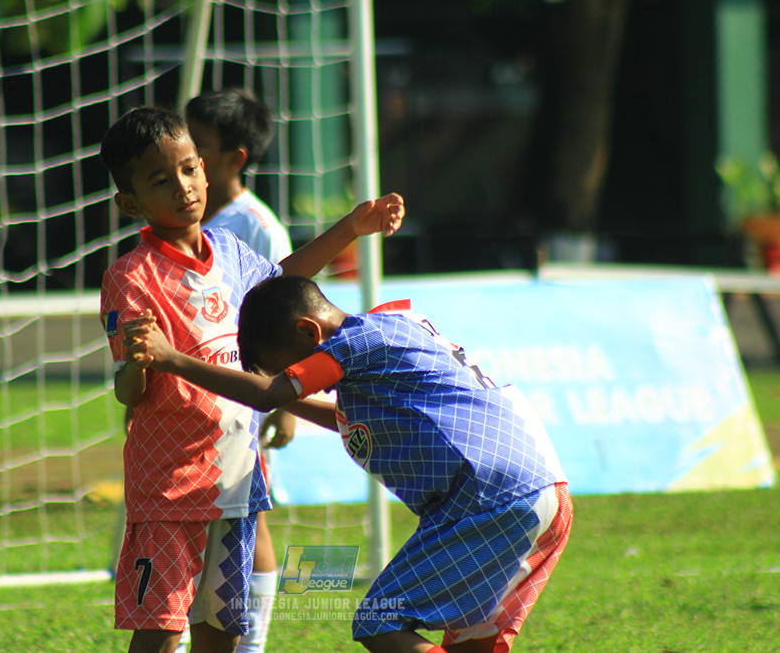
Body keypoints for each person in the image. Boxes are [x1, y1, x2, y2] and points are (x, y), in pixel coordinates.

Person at [125, 275, 573, 653]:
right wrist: (295, 402)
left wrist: (172, 359)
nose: (294, 382)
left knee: (379, 621)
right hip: (543, 487)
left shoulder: (354, 343)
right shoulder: (390, 326)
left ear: (309, 332)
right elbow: (341, 416)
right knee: (471, 641)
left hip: (487, 496)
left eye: (291, 370)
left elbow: (268, 394)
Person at [98, 106, 403, 653]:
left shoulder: (233, 253)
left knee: (221, 630)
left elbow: (285, 278)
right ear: (130, 201)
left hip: (236, 479)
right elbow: (128, 392)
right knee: (162, 631)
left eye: (189, 169)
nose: (183, 187)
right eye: (160, 180)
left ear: (206, 170)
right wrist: (143, 363)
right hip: (169, 486)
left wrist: (351, 228)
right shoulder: (131, 276)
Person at [183, 87, 293, 653]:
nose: (188, 160)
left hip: (242, 400)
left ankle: (249, 642)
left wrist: (287, 404)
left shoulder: (257, 227)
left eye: (198, 148)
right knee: (214, 518)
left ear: (235, 159)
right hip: (197, 403)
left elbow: (284, 312)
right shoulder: (186, 215)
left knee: (248, 517)